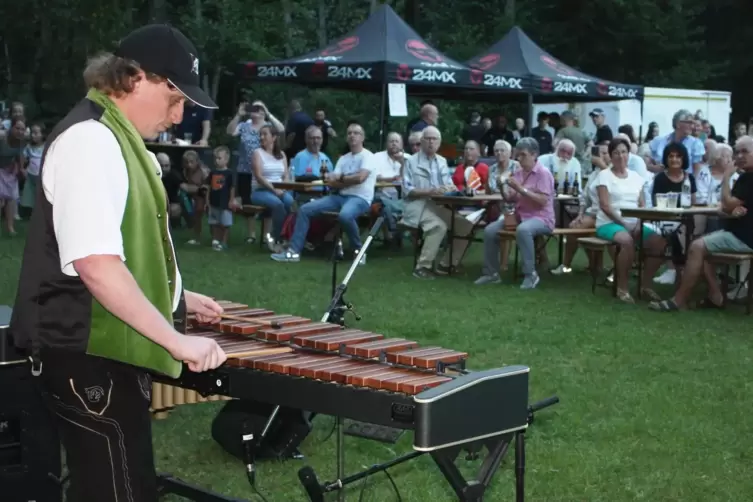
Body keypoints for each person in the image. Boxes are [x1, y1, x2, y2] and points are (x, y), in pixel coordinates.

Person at [9, 24, 227, 502]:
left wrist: (177, 297)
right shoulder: (90, 141)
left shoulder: (114, 139)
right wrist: (174, 340)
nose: (181, 112)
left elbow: (119, 244)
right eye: (175, 96)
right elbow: (96, 264)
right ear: (134, 78)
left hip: (102, 352)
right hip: (85, 355)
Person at [650, 136, 753, 311]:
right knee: (700, 247)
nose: (740, 156)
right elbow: (730, 208)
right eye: (738, 152)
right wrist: (731, 209)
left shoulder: (747, 178)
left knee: (696, 247)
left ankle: (679, 300)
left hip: (744, 238)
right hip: (739, 232)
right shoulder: (745, 177)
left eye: (745, 151)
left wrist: (727, 177)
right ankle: (716, 295)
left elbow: (727, 204)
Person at [271, 121, 376, 263]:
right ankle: (293, 252)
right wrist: (341, 180)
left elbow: (360, 178)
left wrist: (341, 178)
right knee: (305, 209)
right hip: (339, 196)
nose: (352, 136)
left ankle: (358, 251)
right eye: (349, 133)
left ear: (362, 137)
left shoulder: (368, 156)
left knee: (345, 216)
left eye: (356, 133)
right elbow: (332, 182)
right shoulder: (343, 159)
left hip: (360, 198)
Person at [474, 137, 554, 289]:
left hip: (542, 217)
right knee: (490, 230)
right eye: (518, 155)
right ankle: (491, 273)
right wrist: (503, 186)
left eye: (523, 155)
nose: (519, 158)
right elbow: (510, 199)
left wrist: (520, 189)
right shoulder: (518, 173)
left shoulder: (544, 173)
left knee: (523, 230)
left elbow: (543, 201)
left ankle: (530, 274)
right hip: (520, 216)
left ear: (534, 154)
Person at [595, 138, 666, 303]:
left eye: (624, 152)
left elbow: (642, 204)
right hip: (609, 223)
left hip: (634, 222)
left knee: (660, 242)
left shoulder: (635, 177)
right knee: (626, 241)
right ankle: (623, 287)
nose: (621, 156)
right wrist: (624, 223)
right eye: (616, 153)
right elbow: (605, 206)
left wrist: (639, 223)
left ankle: (645, 284)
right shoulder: (604, 176)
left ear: (629, 154)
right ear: (611, 156)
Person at [401, 126, 474, 279]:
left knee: (466, 226)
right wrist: (431, 191)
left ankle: (446, 264)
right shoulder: (410, 161)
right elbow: (407, 190)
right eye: (427, 138)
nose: (431, 142)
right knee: (437, 227)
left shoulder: (441, 161)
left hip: (438, 204)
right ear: (421, 141)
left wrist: (451, 189)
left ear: (439, 143)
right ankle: (422, 267)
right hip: (417, 205)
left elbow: (448, 184)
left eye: (434, 139)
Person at [207, 145, 237, 250]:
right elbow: (209, 187)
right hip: (214, 201)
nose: (217, 160)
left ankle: (224, 242)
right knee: (214, 222)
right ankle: (216, 239)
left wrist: (231, 200)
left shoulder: (229, 173)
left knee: (225, 223)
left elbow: (232, 187)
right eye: (215, 158)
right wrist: (207, 200)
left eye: (219, 158)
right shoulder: (212, 172)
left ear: (226, 159)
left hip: (225, 202)